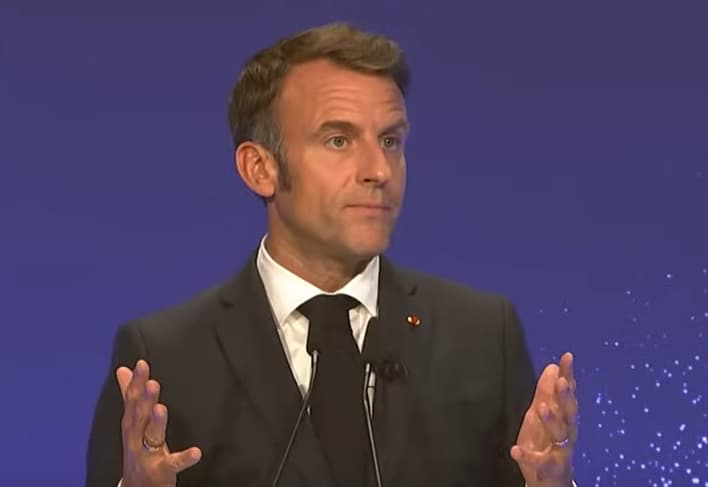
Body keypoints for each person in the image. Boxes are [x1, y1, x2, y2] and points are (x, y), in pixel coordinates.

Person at [86, 22, 578, 487]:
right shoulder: (164, 359)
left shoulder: (482, 337)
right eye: (339, 140)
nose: (379, 170)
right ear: (260, 168)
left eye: (390, 140)